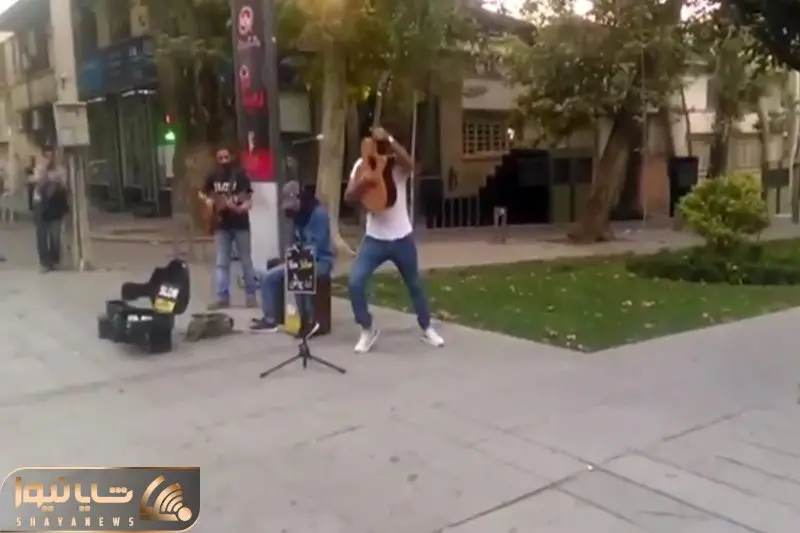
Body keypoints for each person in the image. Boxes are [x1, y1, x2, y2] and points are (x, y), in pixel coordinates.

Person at [344, 126, 444, 353]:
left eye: (381, 143)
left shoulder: (396, 166)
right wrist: (363, 183)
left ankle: (427, 327)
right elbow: (349, 196)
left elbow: (410, 164)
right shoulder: (360, 165)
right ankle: (367, 328)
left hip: (402, 237)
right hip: (374, 239)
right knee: (355, 282)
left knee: (414, 285)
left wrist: (390, 138)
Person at [250, 181, 333, 331]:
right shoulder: (298, 216)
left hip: (320, 261)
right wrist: (290, 253)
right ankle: (271, 318)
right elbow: (293, 242)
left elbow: (318, 246)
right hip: (300, 260)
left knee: (298, 276)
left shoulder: (319, 215)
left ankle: (305, 320)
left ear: (299, 198)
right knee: (268, 277)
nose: (291, 210)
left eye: (292, 204)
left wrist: (299, 256)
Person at [199, 147, 258, 309]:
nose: (224, 161)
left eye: (226, 157)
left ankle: (251, 296)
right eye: (220, 158)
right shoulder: (212, 175)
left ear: (231, 157)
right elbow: (202, 192)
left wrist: (238, 208)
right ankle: (223, 297)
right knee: (221, 262)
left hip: (240, 225)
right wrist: (208, 201)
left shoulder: (240, 176)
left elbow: (248, 201)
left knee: (246, 261)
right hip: (221, 225)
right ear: (216, 160)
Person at [32, 147, 68, 272]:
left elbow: (64, 186)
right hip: (41, 204)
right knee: (42, 234)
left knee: (55, 235)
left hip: (55, 204)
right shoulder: (39, 169)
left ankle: (54, 260)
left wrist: (56, 180)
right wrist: (45, 174)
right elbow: (38, 186)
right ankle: (45, 262)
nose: (49, 159)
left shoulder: (60, 170)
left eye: (51, 156)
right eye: (46, 156)